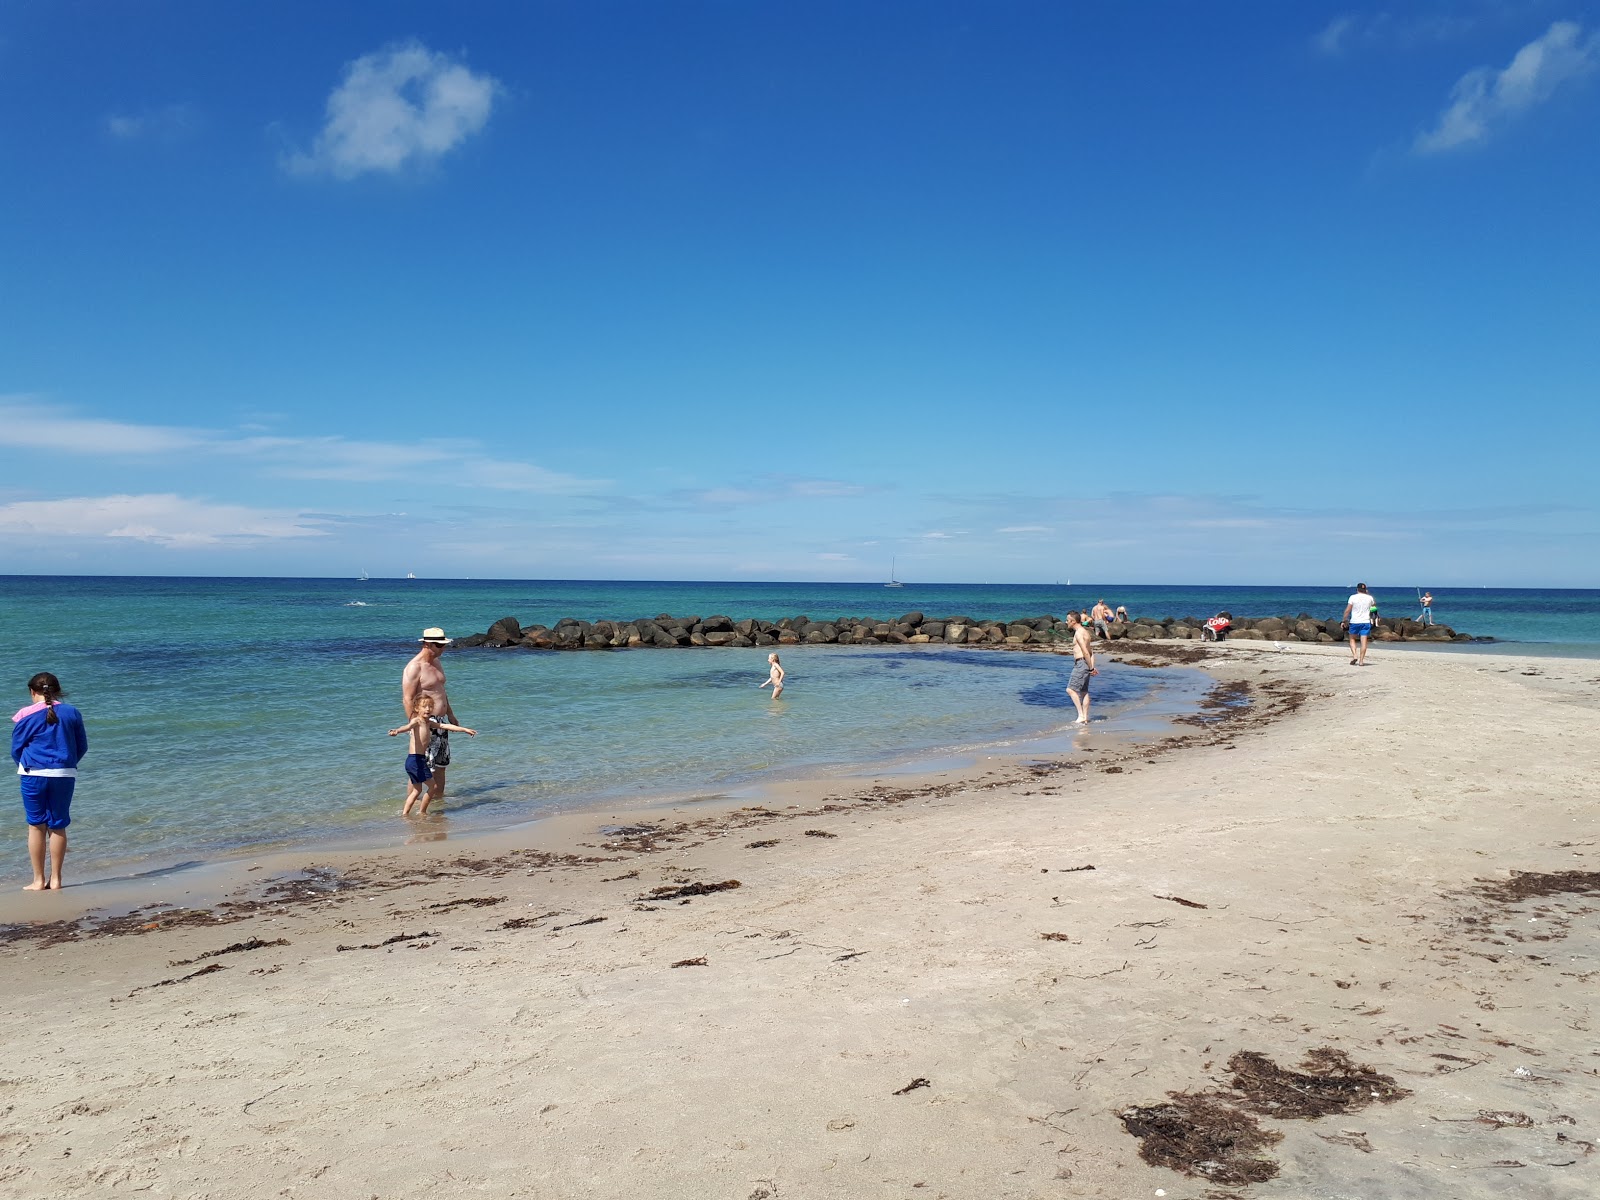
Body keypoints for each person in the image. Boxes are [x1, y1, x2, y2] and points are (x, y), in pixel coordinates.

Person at [11, 672, 88, 891]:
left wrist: (24, 764)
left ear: (32, 692)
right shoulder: (72, 712)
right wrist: (67, 763)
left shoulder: (25, 715)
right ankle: (56, 880)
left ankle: (38, 880)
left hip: (33, 774)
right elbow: (81, 746)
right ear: (58, 690)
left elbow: (16, 748)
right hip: (63, 774)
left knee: (36, 826)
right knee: (58, 825)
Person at [388, 695, 476, 816]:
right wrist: (397, 731)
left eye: (430, 706)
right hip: (415, 760)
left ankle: (405, 814)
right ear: (417, 708)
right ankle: (422, 812)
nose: (428, 709)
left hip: (415, 760)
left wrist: (465, 729)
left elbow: (445, 726)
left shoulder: (429, 723)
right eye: (424, 706)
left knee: (417, 790)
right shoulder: (417, 721)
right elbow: (407, 727)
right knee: (433, 786)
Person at [402, 627, 461, 806]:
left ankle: (438, 808)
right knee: (421, 768)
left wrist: (451, 714)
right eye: (439, 645)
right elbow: (407, 699)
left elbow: (440, 691)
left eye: (443, 645)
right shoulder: (414, 667)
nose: (442, 648)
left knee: (441, 766)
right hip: (425, 723)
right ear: (427, 644)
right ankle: (413, 807)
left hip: (441, 722)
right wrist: (416, 725)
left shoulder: (436, 662)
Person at [1065, 613, 1097, 725]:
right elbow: (1091, 652)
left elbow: (1085, 651)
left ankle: (1081, 716)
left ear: (1073, 621)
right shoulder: (1085, 632)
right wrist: (1091, 666)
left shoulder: (1079, 633)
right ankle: (1085, 718)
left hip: (1081, 663)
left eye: (1067, 620)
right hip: (1086, 663)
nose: (1066, 622)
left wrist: (1091, 667)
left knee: (1070, 689)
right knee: (1084, 691)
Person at [1343, 583, 1378, 666]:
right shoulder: (1370, 598)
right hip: (1365, 622)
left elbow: (1348, 610)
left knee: (1352, 639)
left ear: (1357, 589)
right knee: (1364, 642)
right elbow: (1374, 608)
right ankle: (1361, 661)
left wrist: (1344, 620)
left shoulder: (1353, 597)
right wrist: (1375, 618)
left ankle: (1355, 655)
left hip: (1354, 621)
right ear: (1365, 590)